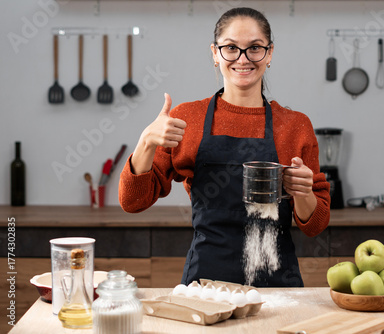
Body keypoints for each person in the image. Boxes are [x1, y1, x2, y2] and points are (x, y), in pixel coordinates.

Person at [119, 7, 330, 287]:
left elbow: (315, 226)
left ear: (269, 54)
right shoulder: (187, 119)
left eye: (254, 48)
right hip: (205, 288)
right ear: (215, 54)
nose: (243, 59)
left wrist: (302, 193)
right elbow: (133, 202)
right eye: (231, 48)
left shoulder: (295, 126)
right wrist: (145, 141)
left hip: (277, 288)